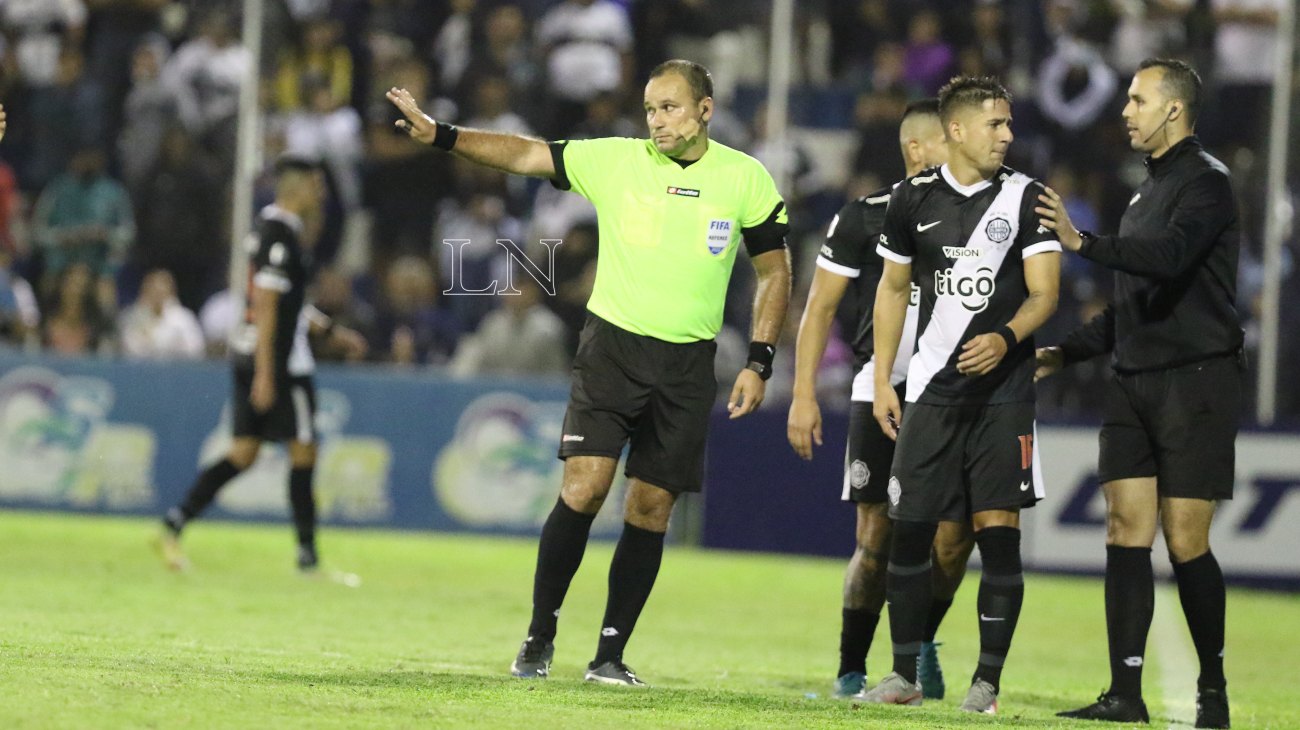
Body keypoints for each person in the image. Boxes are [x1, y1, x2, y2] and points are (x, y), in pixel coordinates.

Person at [388, 58, 791, 686]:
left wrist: (761, 359)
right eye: (651, 109)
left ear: (705, 110)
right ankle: (539, 635)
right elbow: (523, 155)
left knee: (652, 506)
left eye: (671, 107)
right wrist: (443, 134)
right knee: (585, 486)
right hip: (613, 349)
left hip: (688, 363)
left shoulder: (746, 178)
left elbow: (775, 271)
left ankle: (609, 654)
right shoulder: (615, 160)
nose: (657, 121)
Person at [1037, 58, 1239, 729]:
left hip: (1195, 379)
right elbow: (1133, 303)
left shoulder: (1207, 186)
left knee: (1185, 540)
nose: (1125, 110)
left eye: (1136, 99)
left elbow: (1172, 260)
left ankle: (1212, 692)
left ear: (1173, 110)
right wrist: (1065, 352)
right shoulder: (1141, 191)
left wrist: (1082, 242)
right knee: (1126, 529)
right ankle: (1125, 695)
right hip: (1132, 381)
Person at [859, 76, 1060, 714]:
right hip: (928, 392)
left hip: (1003, 399)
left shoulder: (1029, 198)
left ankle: (987, 685)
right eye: (995, 124)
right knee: (909, 530)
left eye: (1008, 124)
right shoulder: (910, 199)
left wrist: (1006, 338)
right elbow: (891, 292)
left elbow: (1045, 293)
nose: (1007, 135)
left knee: (998, 534)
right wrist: (885, 377)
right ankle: (901, 675)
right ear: (956, 130)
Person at [786, 98, 974, 700]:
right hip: (882, 387)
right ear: (919, 150)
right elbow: (818, 309)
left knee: (952, 541)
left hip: (956, 392)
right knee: (876, 539)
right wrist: (803, 395)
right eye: (953, 137)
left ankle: (916, 647)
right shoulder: (864, 218)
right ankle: (850, 667)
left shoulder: (984, 216)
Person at [156, 156, 366, 572]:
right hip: (282, 362)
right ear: (298, 187)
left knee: (244, 451)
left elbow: (286, 302)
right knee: (304, 449)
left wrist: (327, 331)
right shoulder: (280, 234)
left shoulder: (271, 229)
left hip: (252, 351)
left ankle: (175, 521)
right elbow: (267, 305)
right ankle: (308, 556)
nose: (320, 194)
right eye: (316, 185)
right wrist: (269, 374)